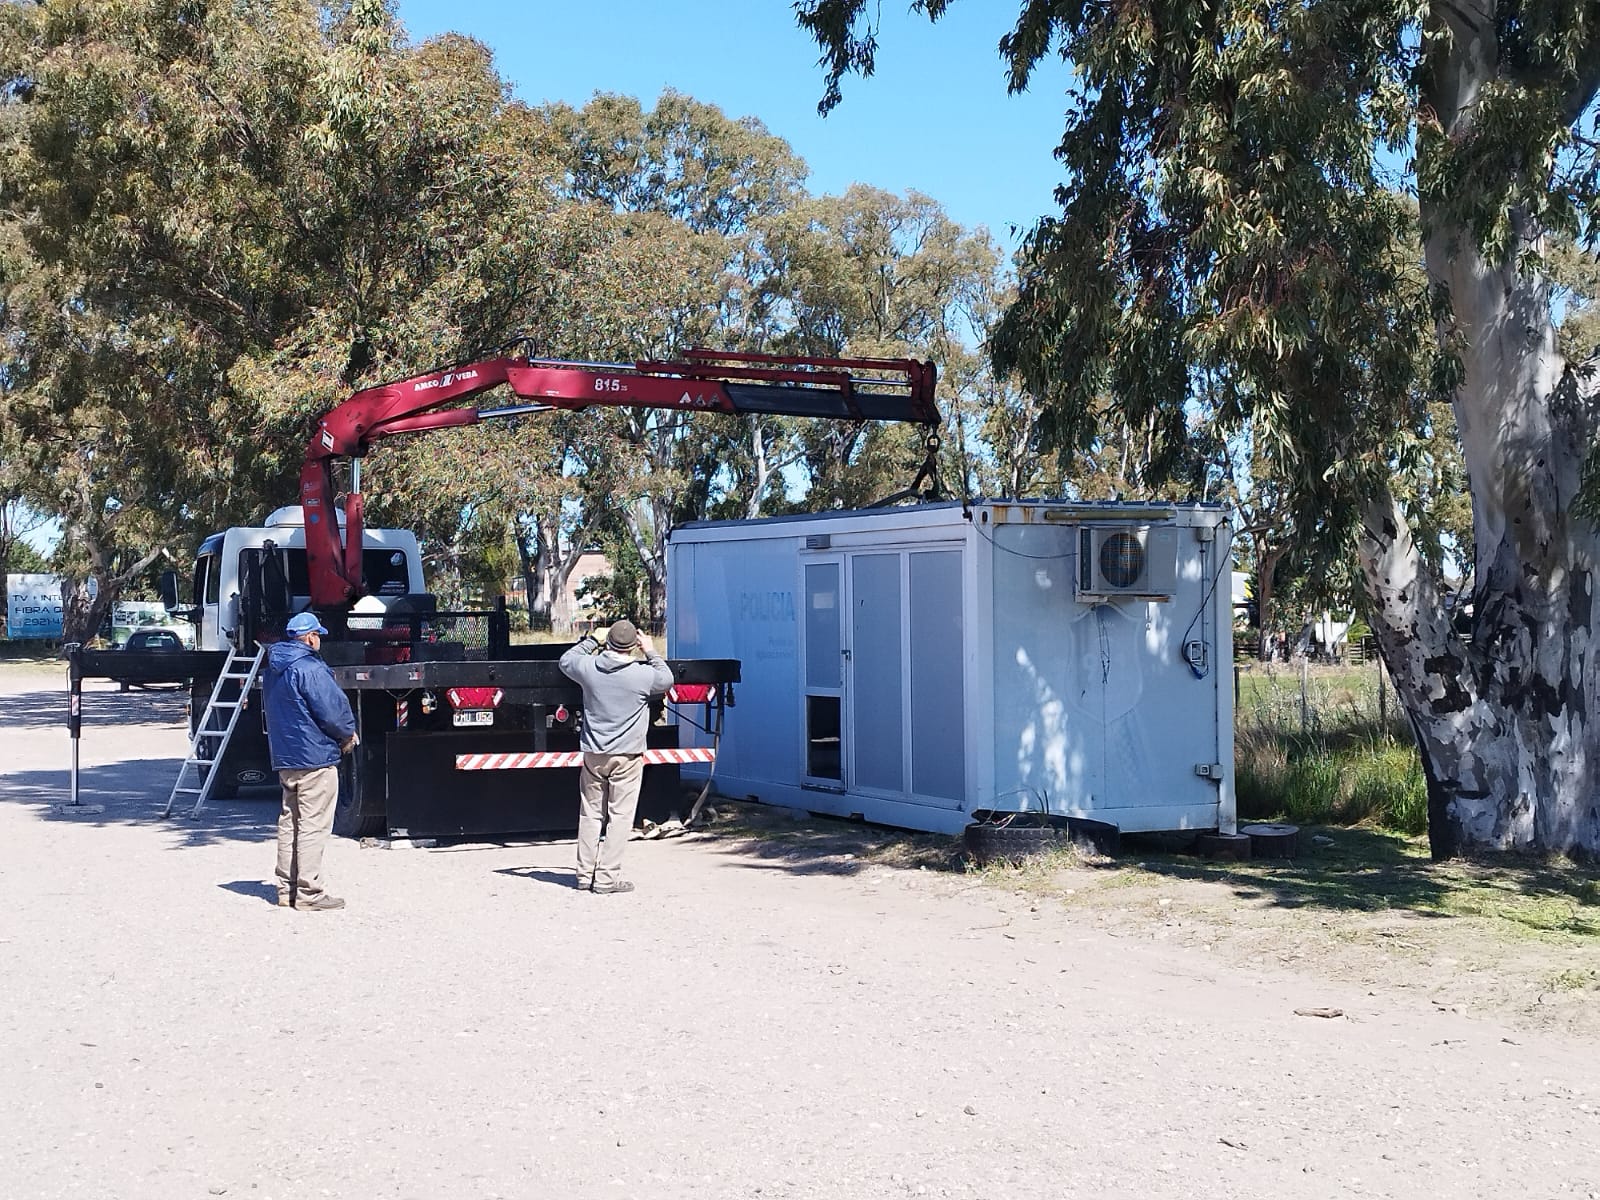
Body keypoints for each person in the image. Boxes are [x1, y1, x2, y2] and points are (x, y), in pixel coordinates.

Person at [558, 619, 674, 894]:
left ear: (607, 641)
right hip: (628, 754)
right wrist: (650, 651)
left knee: (590, 814)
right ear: (633, 645)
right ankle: (607, 879)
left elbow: (566, 660)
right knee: (620, 816)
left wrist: (591, 641)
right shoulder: (642, 674)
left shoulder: (589, 668)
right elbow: (667, 679)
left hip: (595, 752)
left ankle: (584, 875)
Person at [263, 611, 358, 911]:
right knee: (314, 825)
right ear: (310, 637)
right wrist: (346, 735)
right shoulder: (310, 668)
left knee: (289, 822)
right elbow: (332, 710)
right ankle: (309, 893)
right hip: (315, 758)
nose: (320, 640)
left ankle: (285, 889)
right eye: (318, 635)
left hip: (287, 758)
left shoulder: (274, 668)